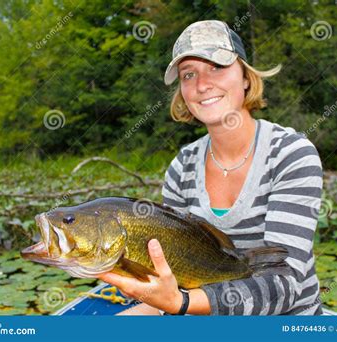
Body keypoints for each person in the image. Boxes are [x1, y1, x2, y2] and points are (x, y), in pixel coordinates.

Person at [98, 20, 323, 315]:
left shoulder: (291, 154)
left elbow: (284, 288)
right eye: (188, 74)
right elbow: (171, 276)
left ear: (245, 76)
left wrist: (182, 303)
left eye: (217, 67)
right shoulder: (182, 166)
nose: (202, 85)